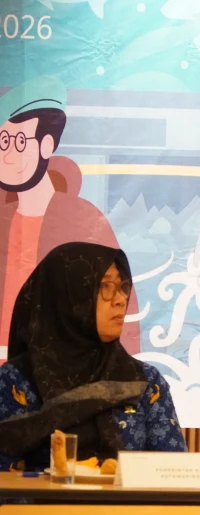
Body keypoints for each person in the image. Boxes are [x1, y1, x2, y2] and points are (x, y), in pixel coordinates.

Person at [0, 242, 186, 472]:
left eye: (123, 287)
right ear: (68, 296)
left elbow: (173, 473)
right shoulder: (15, 381)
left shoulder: (145, 381)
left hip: (128, 497)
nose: (120, 299)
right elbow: (5, 478)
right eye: (105, 286)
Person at [0, 76, 138, 363]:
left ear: (47, 144)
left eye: (20, 142)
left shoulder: (83, 218)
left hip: (67, 368)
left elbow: (119, 311)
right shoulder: (4, 219)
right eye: (3, 142)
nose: (9, 156)